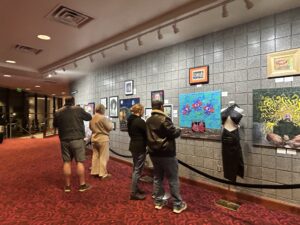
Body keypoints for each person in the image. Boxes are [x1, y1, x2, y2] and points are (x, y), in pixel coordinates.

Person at [146, 100, 187, 214]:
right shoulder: (164, 119)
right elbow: (173, 133)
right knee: (173, 178)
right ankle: (177, 205)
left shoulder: (148, 120)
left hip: (153, 154)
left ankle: (158, 202)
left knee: (157, 178)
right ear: (161, 106)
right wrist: (179, 130)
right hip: (166, 153)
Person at [53, 96, 92, 192]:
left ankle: (67, 186)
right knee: (79, 162)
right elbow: (89, 117)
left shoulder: (58, 112)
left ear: (65, 102)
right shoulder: (78, 109)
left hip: (64, 140)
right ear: (73, 102)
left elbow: (55, 125)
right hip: (77, 139)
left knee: (66, 162)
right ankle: (82, 185)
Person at [127, 103, 147, 200]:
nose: (143, 112)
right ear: (139, 111)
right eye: (142, 110)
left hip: (133, 146)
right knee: (137, 170)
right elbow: (147, 133)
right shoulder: (139, 121)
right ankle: (133, 193)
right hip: (140, 147)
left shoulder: (130, 120)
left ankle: (136, 188)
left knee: (135, 168)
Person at [221, 101, 244, 182]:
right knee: (226, 158)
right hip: (225, 136)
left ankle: (235, 174)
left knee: (236, 157)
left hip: (234, 136)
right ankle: (228, 175)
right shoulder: (223, 110)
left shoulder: (239, 110)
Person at [89, 104, 113, 179]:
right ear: (102, 109)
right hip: (103, 139)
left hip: (94, 138)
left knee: (95, 155)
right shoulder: (103, 118)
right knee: (103, 156)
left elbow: (90, 127)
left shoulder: (92, 118)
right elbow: (110, 127)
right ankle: (103, 174)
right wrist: (110, 122)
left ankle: (95, 171)